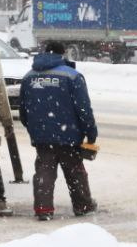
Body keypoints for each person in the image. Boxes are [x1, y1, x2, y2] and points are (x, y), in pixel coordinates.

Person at [19, 39, 98, 221]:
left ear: (46, 52)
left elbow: (23, 110)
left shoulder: (29, 77)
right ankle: (83, 205)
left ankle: (43, 209)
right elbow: (84, 108)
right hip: (69, 136)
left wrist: (35, 129)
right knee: (75, 171)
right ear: (62, 54)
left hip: (42, 137)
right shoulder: (72, 76)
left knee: (44, 172)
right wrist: (90, 133)